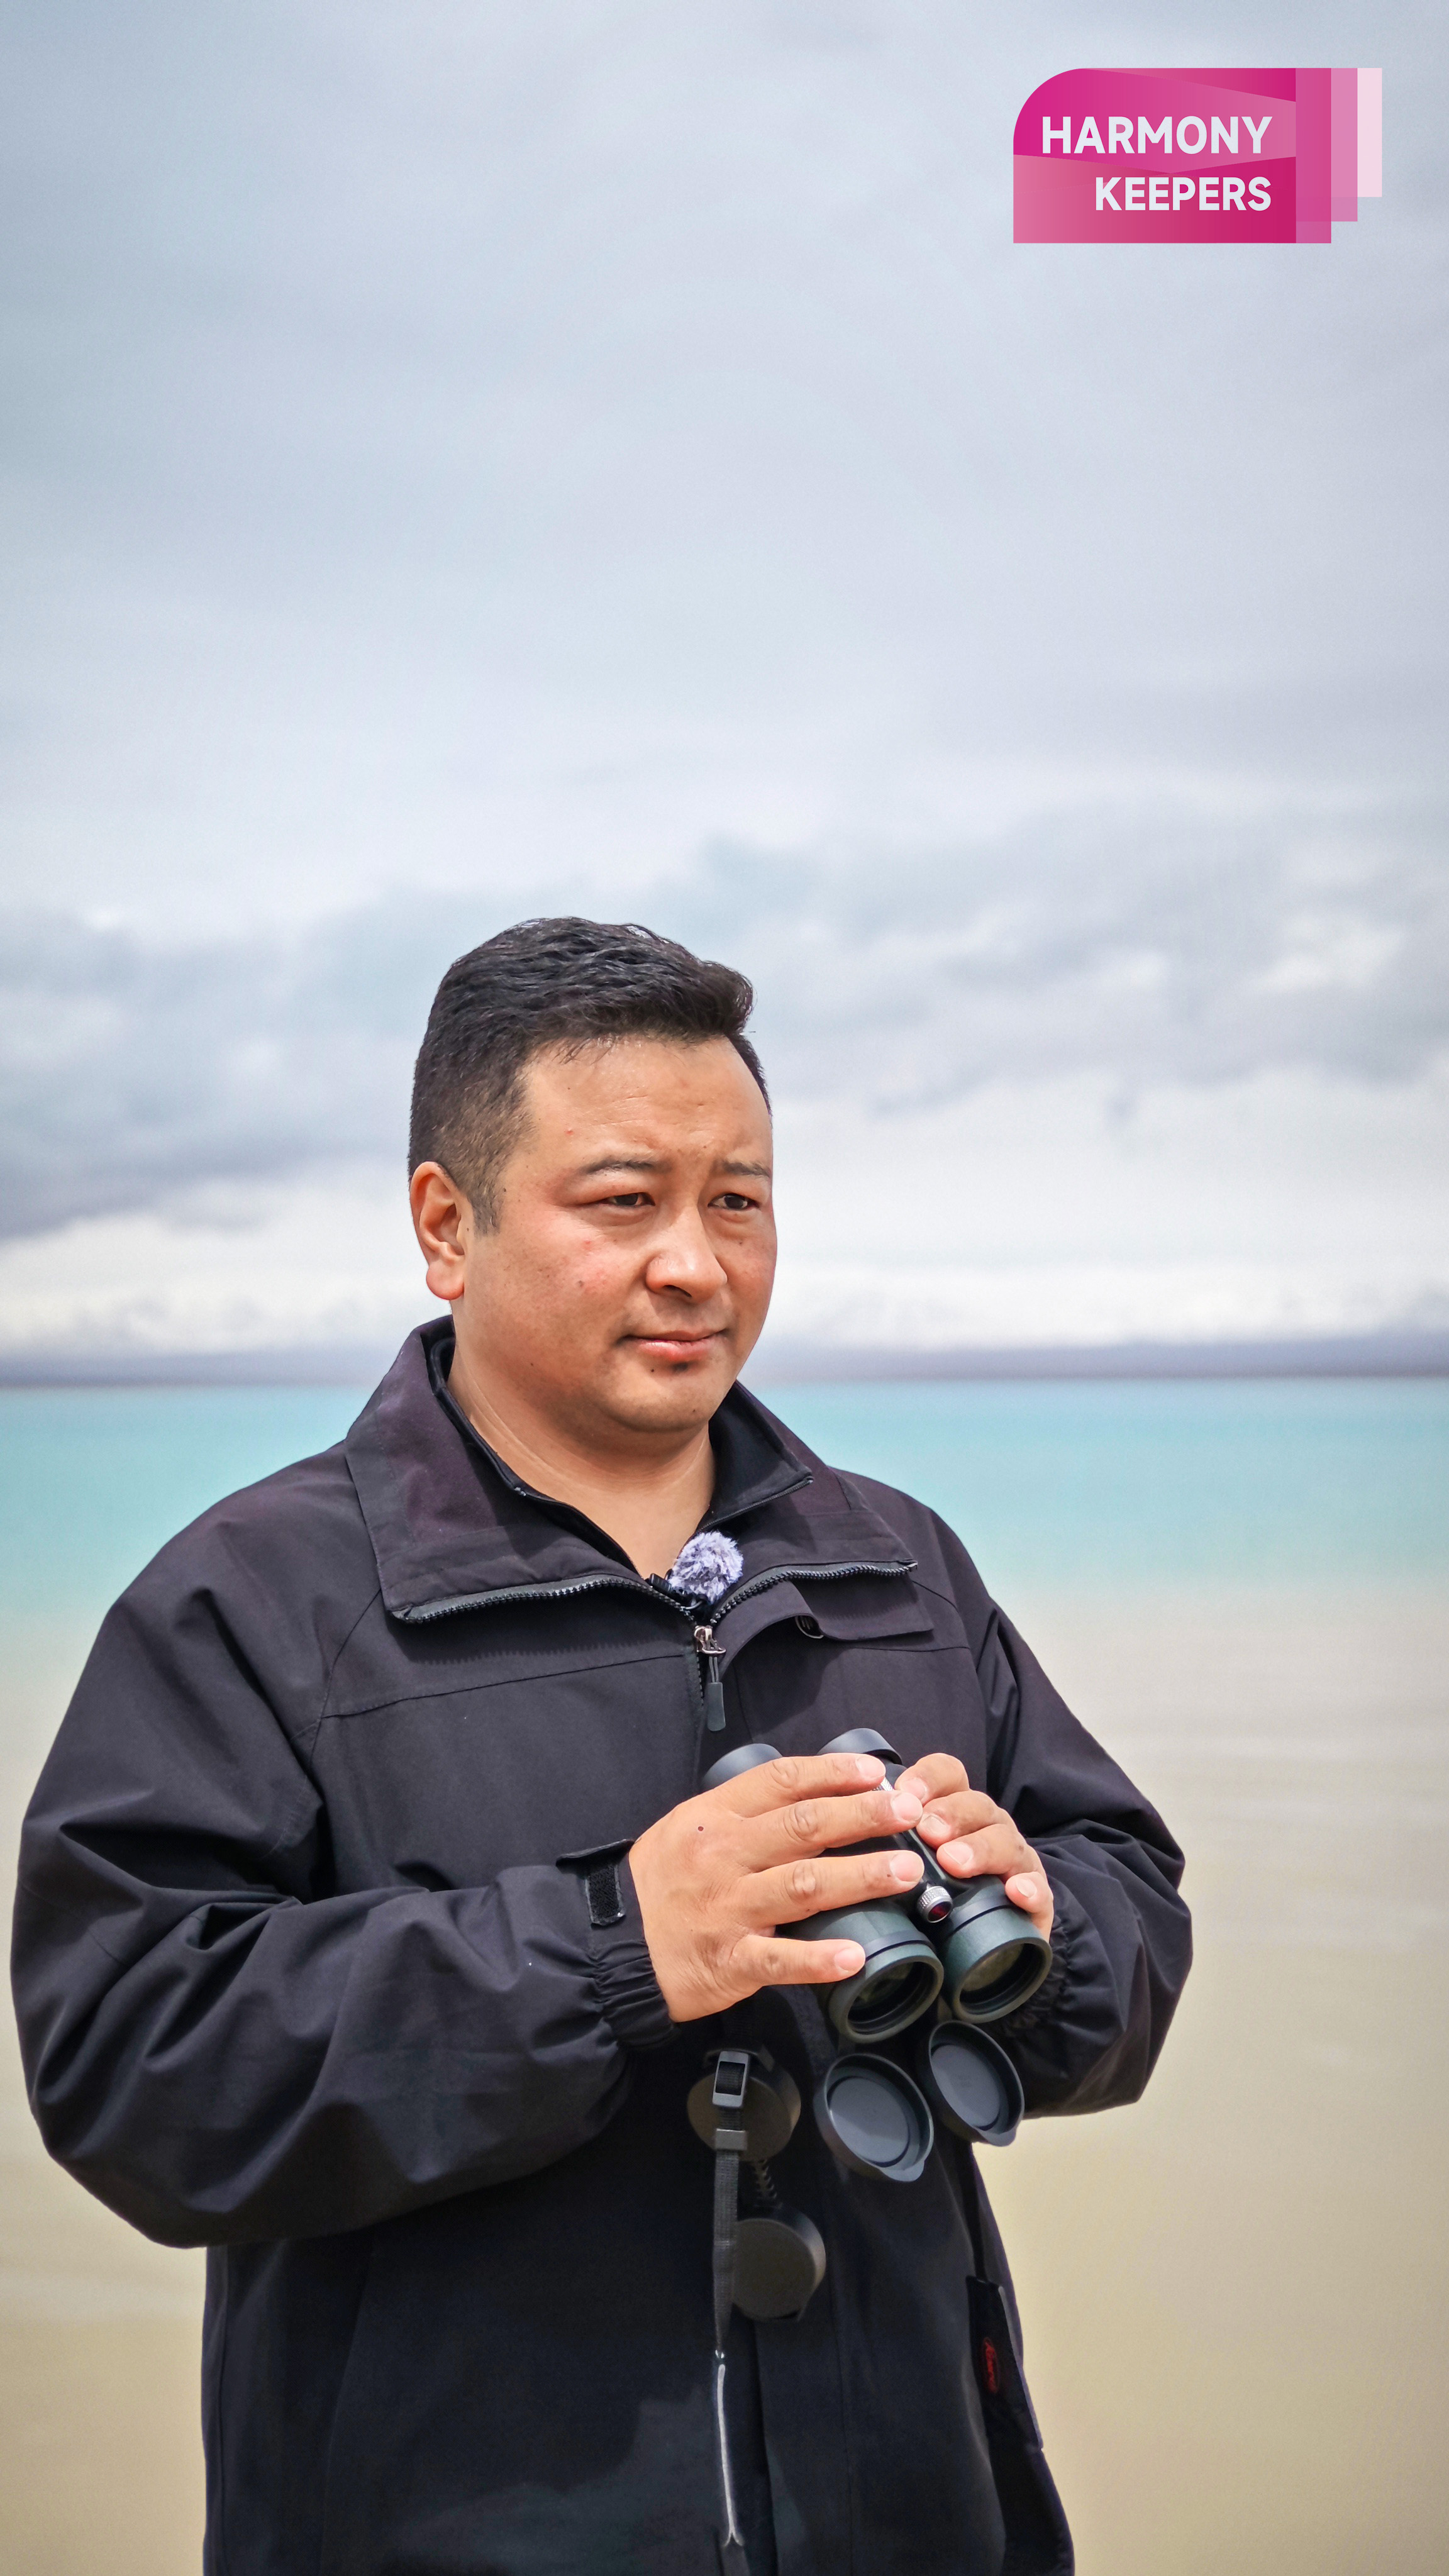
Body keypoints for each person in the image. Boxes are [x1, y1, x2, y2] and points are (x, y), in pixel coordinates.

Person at [12, 917, 1191, 2576]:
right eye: (623, 1202)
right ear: (447, 1223)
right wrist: (612, 1950)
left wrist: (1051, 1933)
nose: (698, 1263)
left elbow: (1132, 1898)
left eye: (740, 1200)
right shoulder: (251, 1603)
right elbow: (129, 2069)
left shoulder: (897, 1564)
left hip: (913, 2512)